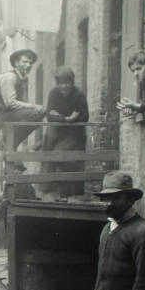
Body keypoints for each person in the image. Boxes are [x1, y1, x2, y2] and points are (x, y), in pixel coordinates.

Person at [0, 49, 45, 149]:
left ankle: (8, 144)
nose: (28, 65)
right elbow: (11, 103)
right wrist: (34, 106)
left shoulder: (21, 79)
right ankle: (6, 143)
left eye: (30, 63)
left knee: (37, 113)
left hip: (4, 113)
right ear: (16, 63)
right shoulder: (10, 77)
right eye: (25, 62)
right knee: (37, 113)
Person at [43, 66, 89, 197]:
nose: (63, 86)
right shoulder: (53, 93)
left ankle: (74, 196)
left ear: (72, 82)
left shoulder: (79, 94)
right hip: (57, 134)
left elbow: (85, 116)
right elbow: (49, 115)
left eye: (66, 83)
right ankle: (53, 194)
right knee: (51, 160)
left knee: (69, 163)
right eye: (60, 83)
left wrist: (64, 118)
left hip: (74, 135)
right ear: (57, 83)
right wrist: (66, 119)